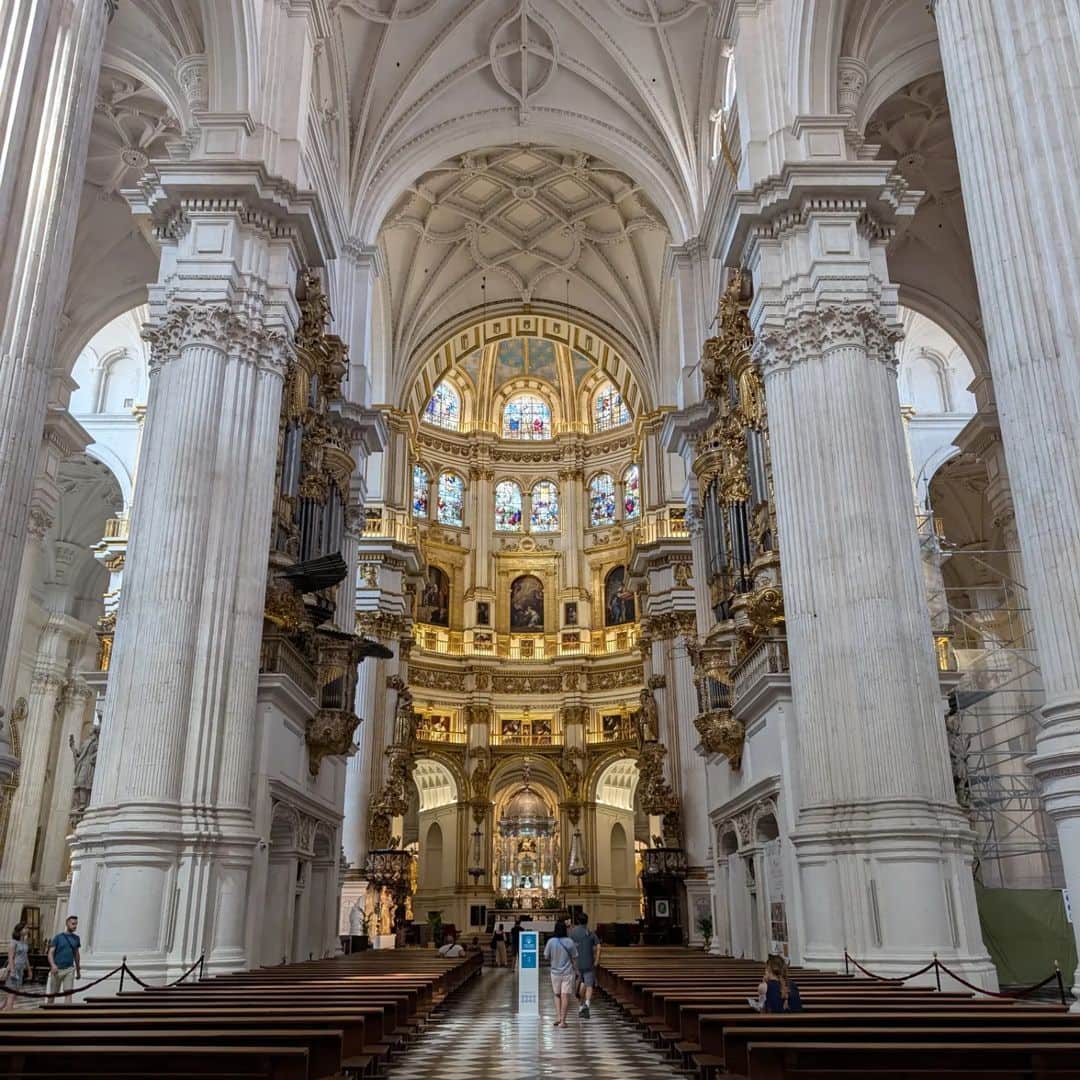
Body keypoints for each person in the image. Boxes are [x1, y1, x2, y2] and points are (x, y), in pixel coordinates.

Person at [543, 919, 578, 1028]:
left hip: (555, 972)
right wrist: (576, 969)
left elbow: (546, 956)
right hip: (567, 972)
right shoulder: (570, 941)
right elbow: (575, 956)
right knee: (565, 995)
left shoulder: (551, 941)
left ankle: (558, 1017)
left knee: (557, 995)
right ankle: (563, 1021)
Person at [568, 911, 601, 1018]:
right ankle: (586, 1004)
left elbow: (569, 947)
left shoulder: (572, 932)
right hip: (588, 962)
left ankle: (581, 1005)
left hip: (577, 962)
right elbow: (598, 946)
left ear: (578, 921)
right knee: (589, 984)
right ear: (587, 921)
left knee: (582, 983)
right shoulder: (590, 932)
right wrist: (596, 959)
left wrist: (571, 961)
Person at [47, 915, 81, 1002]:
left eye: (76, 924)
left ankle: (67, 1010)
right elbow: (50, 953)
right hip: (57, 968)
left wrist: (78, 970)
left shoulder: (76, 938)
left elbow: (76, 954)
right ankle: (48, 1008)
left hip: (69, 969)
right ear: (67, 924)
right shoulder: (58, 937)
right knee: (53, 993)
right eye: (73, 924)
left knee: (68, 992)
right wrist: (53, 965)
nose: (75, 926)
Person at [2, 922, 31, 1010]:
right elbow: (10, 958)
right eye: (25, 928)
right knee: (12, 993)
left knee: (15, 992)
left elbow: (25, 957)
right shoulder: (13, 943)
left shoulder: (24, 943)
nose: (27, 929)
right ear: (19, 930)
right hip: (14, 969)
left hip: (21, 970)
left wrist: (29, 969)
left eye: (27, 928)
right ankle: (9, 1012)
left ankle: (3, 1008)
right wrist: (12, 971)